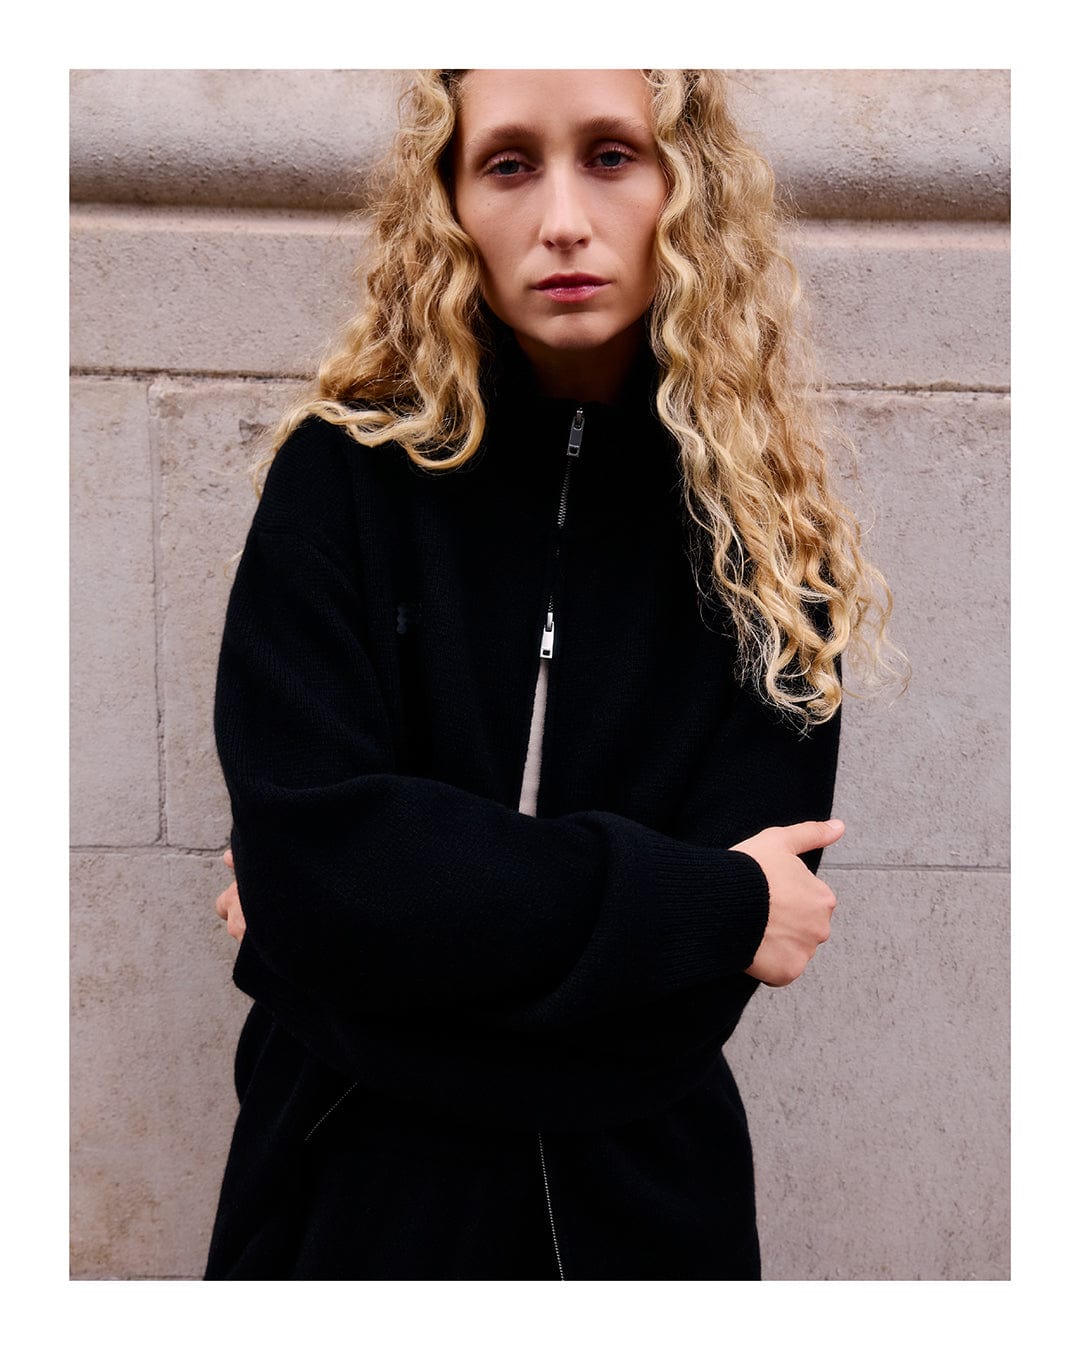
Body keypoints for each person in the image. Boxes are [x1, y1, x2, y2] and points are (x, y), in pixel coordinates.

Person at [204, 68, 900, 1280]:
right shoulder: (341, 477)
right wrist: (707, 907)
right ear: (451, 202)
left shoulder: (771, 538)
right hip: (344, 1195)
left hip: (642, 1216)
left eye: (612, 157)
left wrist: (350, 944)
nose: (564, 220)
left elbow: (677, 1019)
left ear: (686, 186)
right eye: (511, 164)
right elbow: (317, 870)